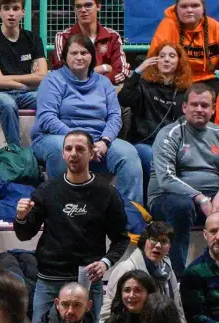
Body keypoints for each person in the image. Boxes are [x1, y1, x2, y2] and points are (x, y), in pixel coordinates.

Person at [14, 129, 130, 322]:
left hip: (87, 281)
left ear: (92, 153)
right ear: (63, 154)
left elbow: (121, 238)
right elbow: (24, 234)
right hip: (50, 280)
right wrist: (20, 217)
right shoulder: (47, 190)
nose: (73, 153)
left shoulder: (107, 193)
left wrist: (105, 262)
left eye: (79, 149)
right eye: (68, 148)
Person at [32, 34, 143, 217]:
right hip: (54, 137)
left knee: (129, 155)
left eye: (84, 52)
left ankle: (130, 222)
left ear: (92, 56)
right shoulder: (53, 80)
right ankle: (64, 212)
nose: (79, 57)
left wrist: (105, 141)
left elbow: (115, 117)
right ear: (65, 56)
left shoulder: (104, 82)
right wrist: (82, 143)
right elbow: (47, 118)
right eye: (73, 52)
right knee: (66, 149)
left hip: (98, 142)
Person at [149, 84, 219, 275]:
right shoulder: (170, 134)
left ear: (213, 109)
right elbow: (166, 178)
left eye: (204, 105)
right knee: (182, 205)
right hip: (168, 197)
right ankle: (178, 276)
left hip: (212, 197)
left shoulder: (217, 133)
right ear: (184, 107)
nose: (199, 109)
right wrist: (200, 197)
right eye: (194, 104)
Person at [0, 0, 48, 150]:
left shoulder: (33, 39)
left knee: (45, 98)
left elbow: (42, 76)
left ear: (23, 12)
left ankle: (44, 146)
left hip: (26, 93)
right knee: (7, 104)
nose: (11, 13)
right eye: (6, 8)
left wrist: (5, 79)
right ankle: (16, 152)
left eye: (16, 8)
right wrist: (26, 84)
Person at [121, 40, 190, 185]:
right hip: (144, 143)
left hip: (172, 146)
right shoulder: (143, 85)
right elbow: (123, 99)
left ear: (179, 62)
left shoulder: (185, 92)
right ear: (155, 61)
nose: (166, 59)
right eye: (162, 55)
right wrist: (138, 72)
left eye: (172, 56)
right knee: (153, 157)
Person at [108, 220, 179, 316]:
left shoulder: (168, 270)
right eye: (153, 239)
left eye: (164, 241)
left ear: (169, 246)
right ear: (144, 241)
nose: (158, 246)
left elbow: (177, 309)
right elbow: (110, 308)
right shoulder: (127, 268)